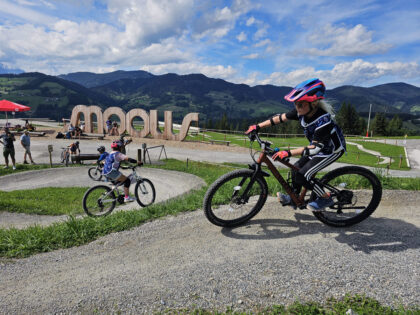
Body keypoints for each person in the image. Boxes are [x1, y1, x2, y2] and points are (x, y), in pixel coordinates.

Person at [245, 78, 346, 212]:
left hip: (331, 151)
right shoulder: (302, 112)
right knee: (295, 168)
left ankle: (325, 198)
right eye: (295, 103)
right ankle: (294, 198)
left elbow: (315, 148)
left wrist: (288, 153)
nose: (296, 107)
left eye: (300, 104)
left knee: (303, 176)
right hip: (316, 149)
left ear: (313, 103)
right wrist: (257, 126)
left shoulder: (323, 121)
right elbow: (279, 118)